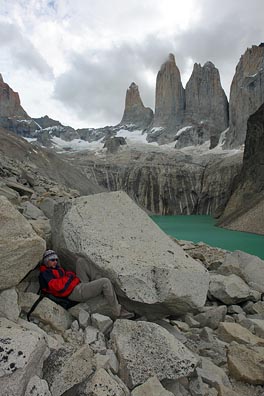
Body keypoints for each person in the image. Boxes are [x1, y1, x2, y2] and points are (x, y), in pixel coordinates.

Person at [39, 249, 134, 319]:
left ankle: (99, 285)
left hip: (76, 285)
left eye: (56, 259)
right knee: (105, 282)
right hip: (74, 293)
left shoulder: (57, 269)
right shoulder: (46, 273)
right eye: (52, 260)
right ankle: (117, 311)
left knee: (81, 261)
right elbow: (59, 287)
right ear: (46, 261)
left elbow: (69, 276)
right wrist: (71, 278)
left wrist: (70, 278)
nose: (55, 261)